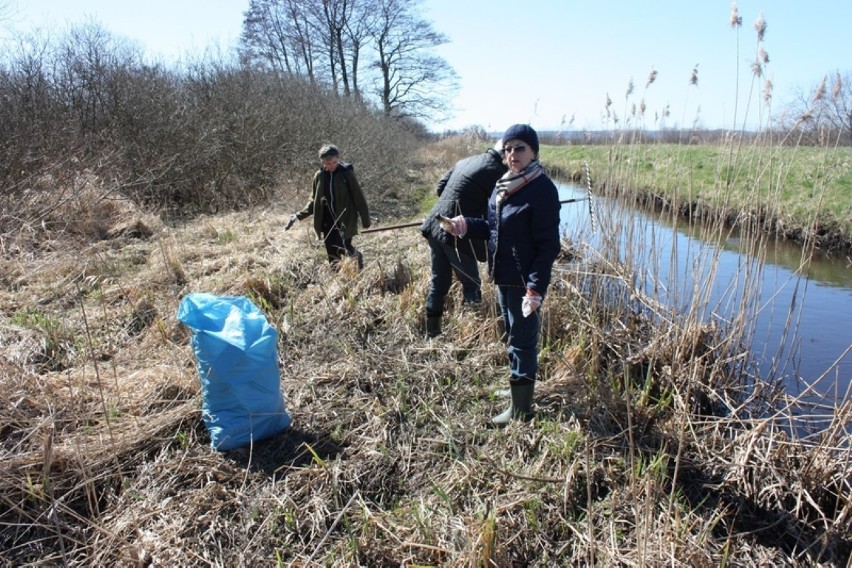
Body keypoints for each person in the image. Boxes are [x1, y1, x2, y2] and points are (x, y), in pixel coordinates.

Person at [442, 124, 561, 426]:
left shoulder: (542, 188)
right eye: (508, 148)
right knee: (510, 333)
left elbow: (548, 245)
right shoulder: (502, 185)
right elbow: (493, 227)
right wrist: (464, 224)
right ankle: (516, 389)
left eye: (520, 147)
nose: (512, 154)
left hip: (524, 282)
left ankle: (521, 410)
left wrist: (535, 289)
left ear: (534, 152)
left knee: (523, 341)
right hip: (502, 274)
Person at [419, 141, 507, 338]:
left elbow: (441, 188)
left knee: (439, 283)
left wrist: (458, 206)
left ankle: (431, 333)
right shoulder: (498, 171)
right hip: (455, 233)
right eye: (509, 152)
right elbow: (497, 209)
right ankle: (471, 335)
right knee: (472, 283)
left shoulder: (468, 160)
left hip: (435, 224)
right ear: (504, 154)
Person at [285, 144, 371, 269]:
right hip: (326, 220)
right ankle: (336, 279)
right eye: (327, 163)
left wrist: (365, 219)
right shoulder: (319, 176)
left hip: (345, 218)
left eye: (334, 162)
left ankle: (357, 260)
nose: (331, 166)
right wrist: (297, 216)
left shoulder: (346, 173)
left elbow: (358, 197)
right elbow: (313, 202)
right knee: (331, 251)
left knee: (344, 248)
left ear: (338, 159)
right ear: (322, 162)